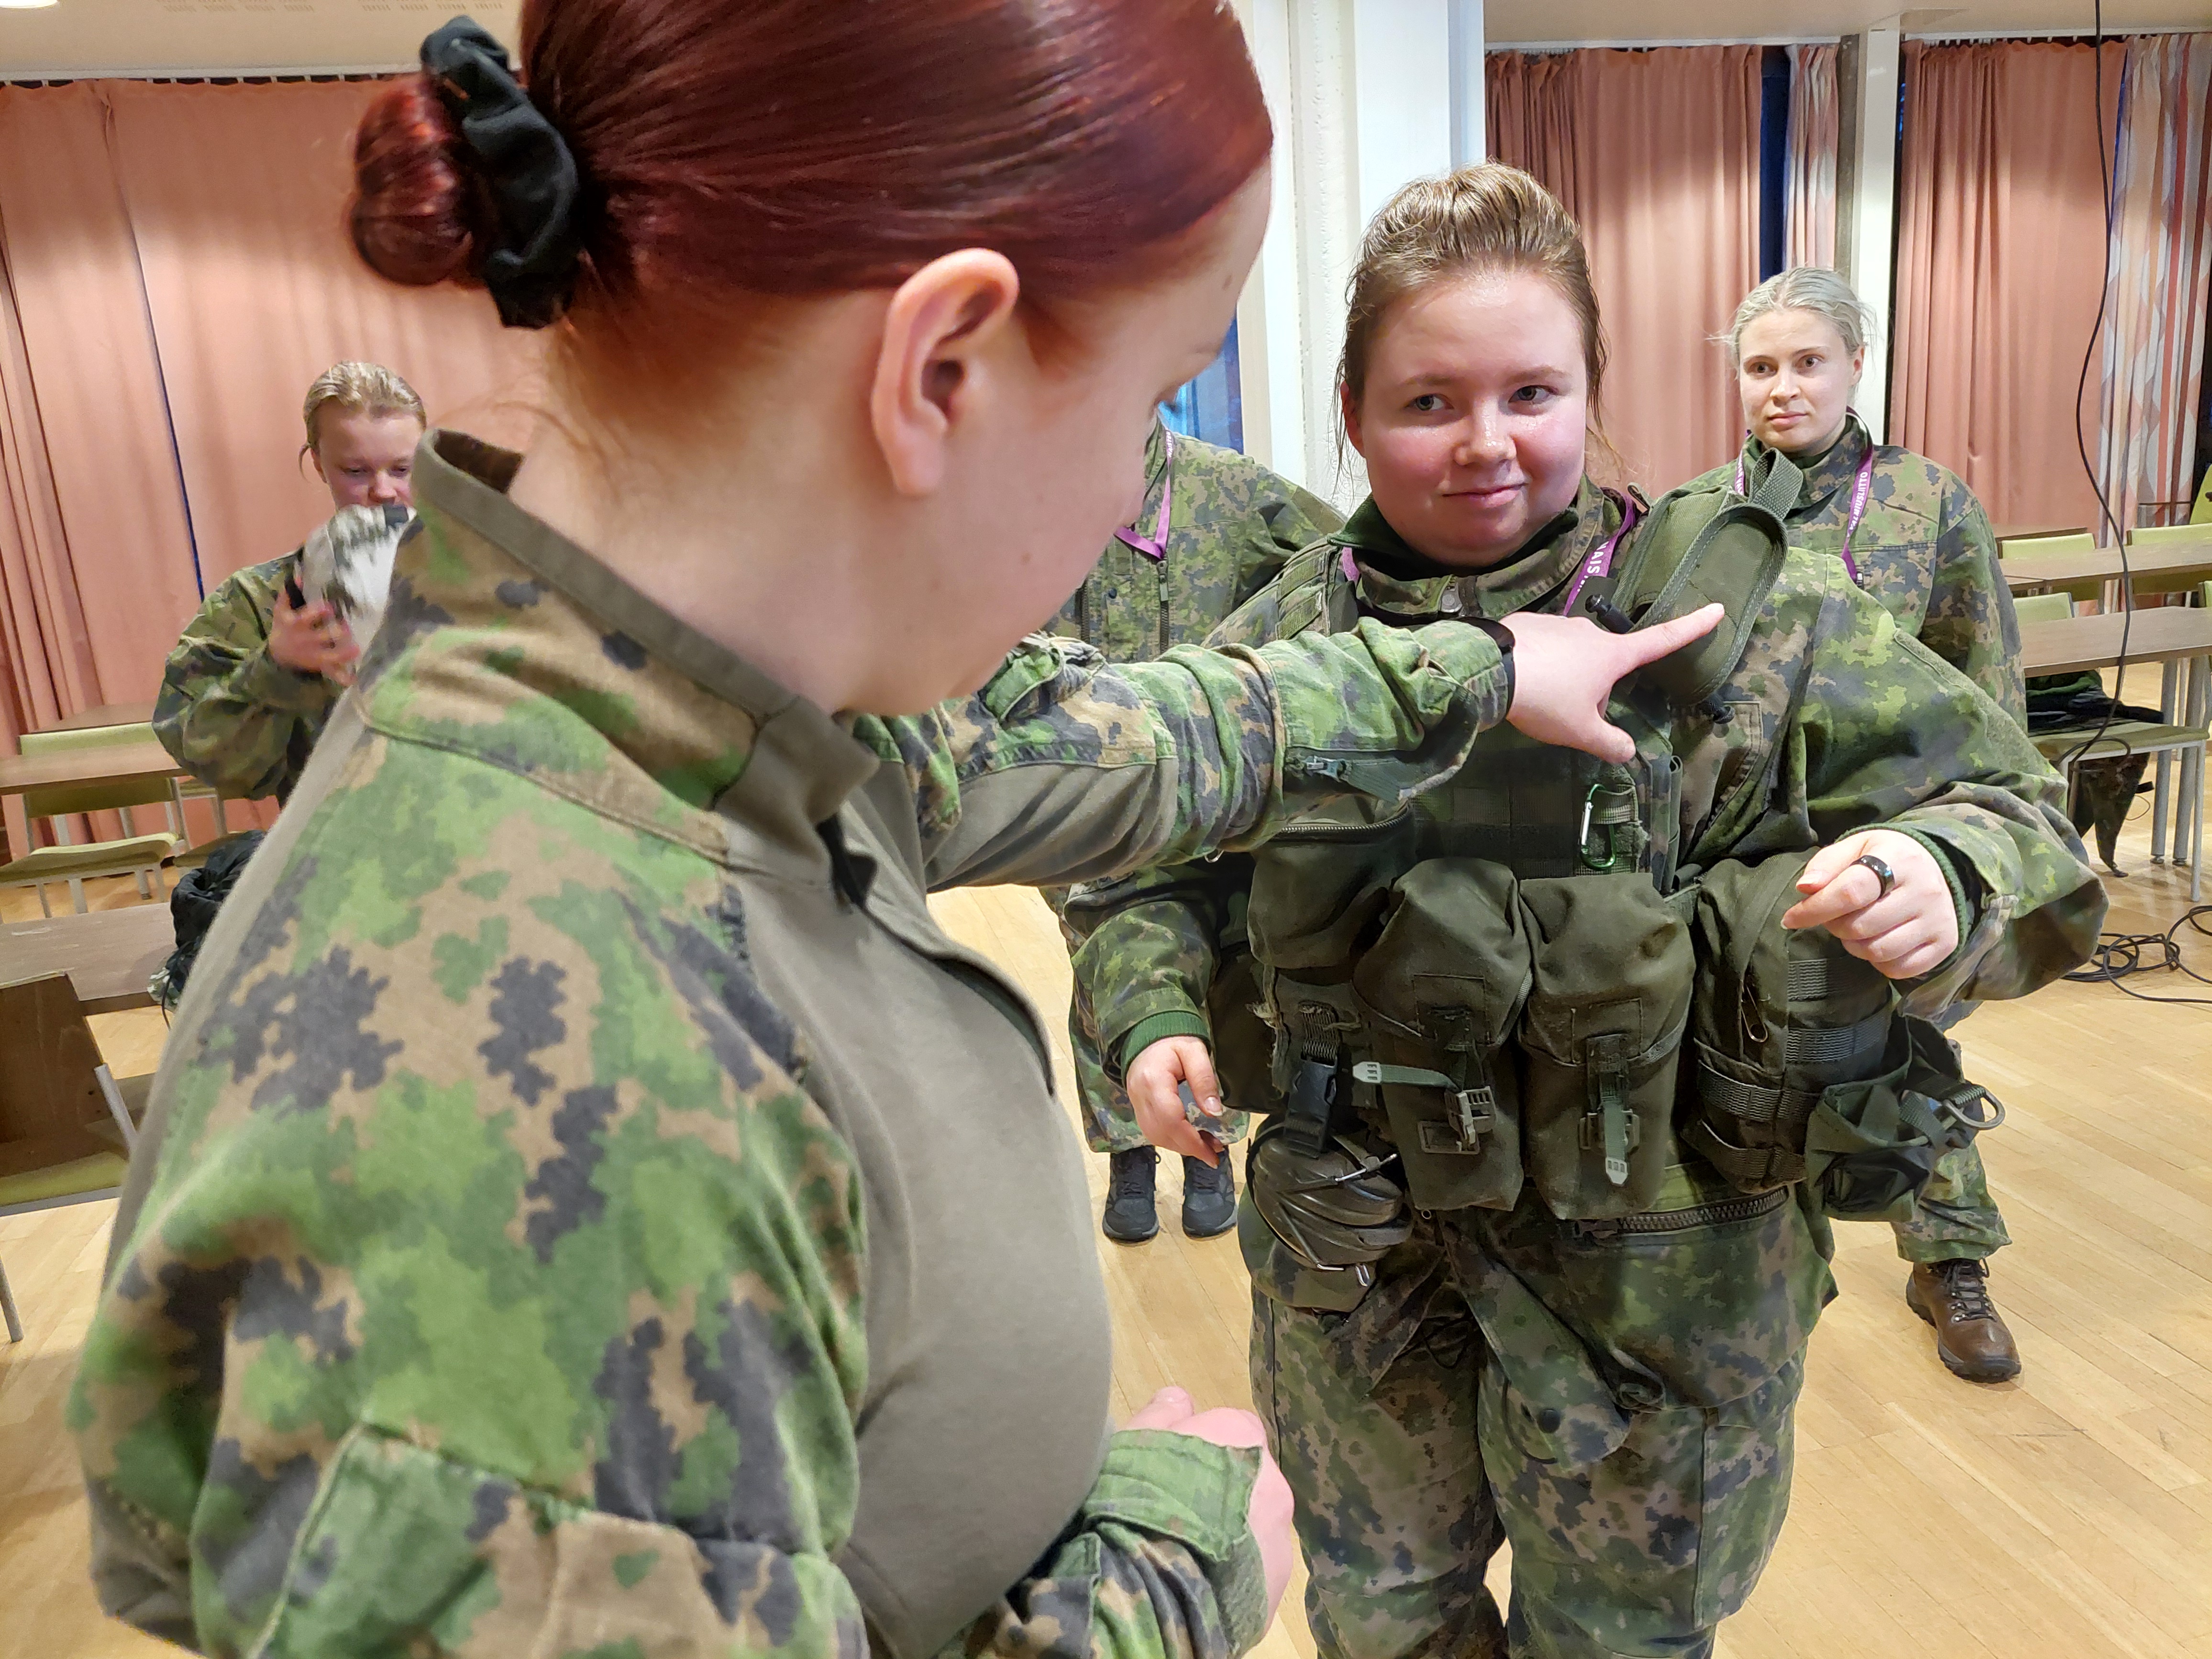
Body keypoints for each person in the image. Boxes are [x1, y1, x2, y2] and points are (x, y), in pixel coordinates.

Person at [69, 16, 1723, 1659]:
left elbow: (1109, 737)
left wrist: (1485, 660)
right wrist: (1163, 1570)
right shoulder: (533, 1041)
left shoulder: (682, 696)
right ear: (946, 367)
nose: (1125, 501)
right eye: (1147, 395)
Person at [1075, 166, 2103, 1658]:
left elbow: (2020, 817)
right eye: (1429, 400)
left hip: (1662, 1286)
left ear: (1591, 394)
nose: (1486, 443)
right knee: (1382, 1627)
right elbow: (1149, 869)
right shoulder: (1286, 648)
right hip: (1361, 1269)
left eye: (1530, 391)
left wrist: (1940, 874)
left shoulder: (1741, 625)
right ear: (1352, 413)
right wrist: (1152, 1009)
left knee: (1621, 1642)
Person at [1694, 265, 2029, 1383]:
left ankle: (1950, 1249)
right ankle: (1754, 1260)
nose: (1781, 388)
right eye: (1759, 367)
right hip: (1747, 841)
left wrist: (1974, 841)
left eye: (1805, 363)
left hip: (1891, 834)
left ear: (1852, 367)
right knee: (1750, 1046)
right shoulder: (1701, 516)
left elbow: (1985, 686)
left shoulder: (1922, 504)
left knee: (1906, 1044)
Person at [1050, 414, 1343, 1244]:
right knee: (1102, 976)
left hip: (1210, 796)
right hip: (1081, 802)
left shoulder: (1231, 488)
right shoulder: (1016, 491)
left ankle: (1208, 1146)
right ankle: (1128, 1155)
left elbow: (1347, 560)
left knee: (1220, 964)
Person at [152, 361, 425, 804]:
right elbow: (211, 760)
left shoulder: (481, 577)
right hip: (343, 856)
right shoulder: (262, 600)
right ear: (318, 464)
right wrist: (274, 669)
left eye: (402, 469)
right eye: (356, 471)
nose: (383, 491)